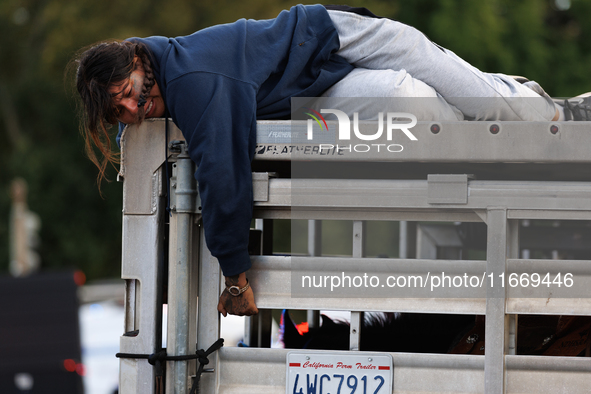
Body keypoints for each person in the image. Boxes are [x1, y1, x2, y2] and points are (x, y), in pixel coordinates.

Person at [73, 4, 590, 317]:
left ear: (139, 63)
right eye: (118, 110)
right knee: (432, 112)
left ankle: (556, 117)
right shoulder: (162, 72)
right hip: (323, 82)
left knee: (477, 105)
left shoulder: (190, 82)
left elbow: (221, 172)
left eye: (128, 93)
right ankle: (532, 104)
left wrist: (235, 274)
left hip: (337, 38)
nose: (131, 108)